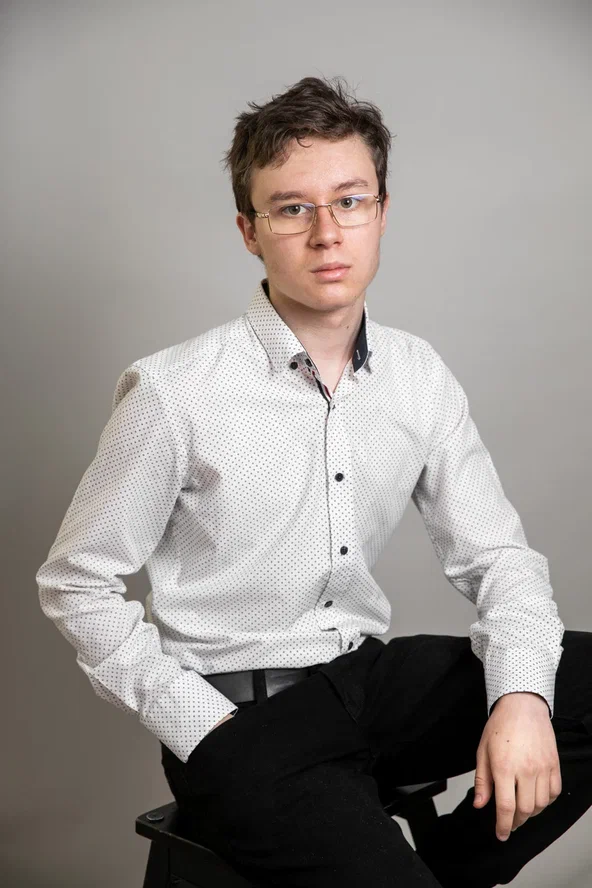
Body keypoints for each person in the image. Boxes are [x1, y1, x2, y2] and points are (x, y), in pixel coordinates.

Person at [36, 75, 592, 888]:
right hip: (243, 721)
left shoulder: (417, 375)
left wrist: (522, 700)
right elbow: (76, 584)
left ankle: (446, 872)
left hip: (366, 682)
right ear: (249, 231)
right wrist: (200, 724)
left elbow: (499, 558)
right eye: (293, 209)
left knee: (571, 681)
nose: (327, 233)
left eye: (350, 201)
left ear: (382, 213)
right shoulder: (174, 392)